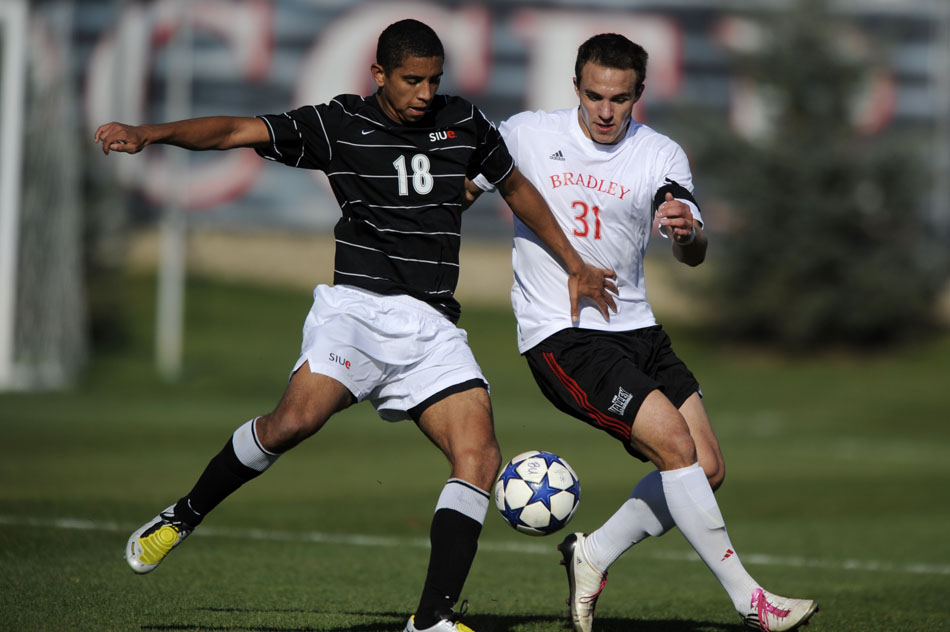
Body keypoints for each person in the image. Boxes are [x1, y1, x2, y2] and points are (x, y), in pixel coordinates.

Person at [94, 19, 615, 632]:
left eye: (434, 80)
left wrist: (575, 264)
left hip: (433, 326)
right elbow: (237, 129)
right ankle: (183, 515)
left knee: (478, 456)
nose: (424, 93)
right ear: (379, 75)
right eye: (411, 80)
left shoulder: (465, 122)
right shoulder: (339, 124)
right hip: (358, 312)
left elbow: (517, 188)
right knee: (291, 424)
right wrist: (147, 133)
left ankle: (432, 619)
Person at [468, 33, 818, 632]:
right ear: (576, 87)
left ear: (639, 96)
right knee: (676, 448)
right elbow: (459, 189)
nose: (606, 111)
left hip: (640, 331)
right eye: (595, 95)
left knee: (705, 467)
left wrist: (687, 232)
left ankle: (592, 553)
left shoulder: (660, 153)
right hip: (564, 337)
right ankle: (751, 602)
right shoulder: (527, 134)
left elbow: (693, 246)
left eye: (621, 99)